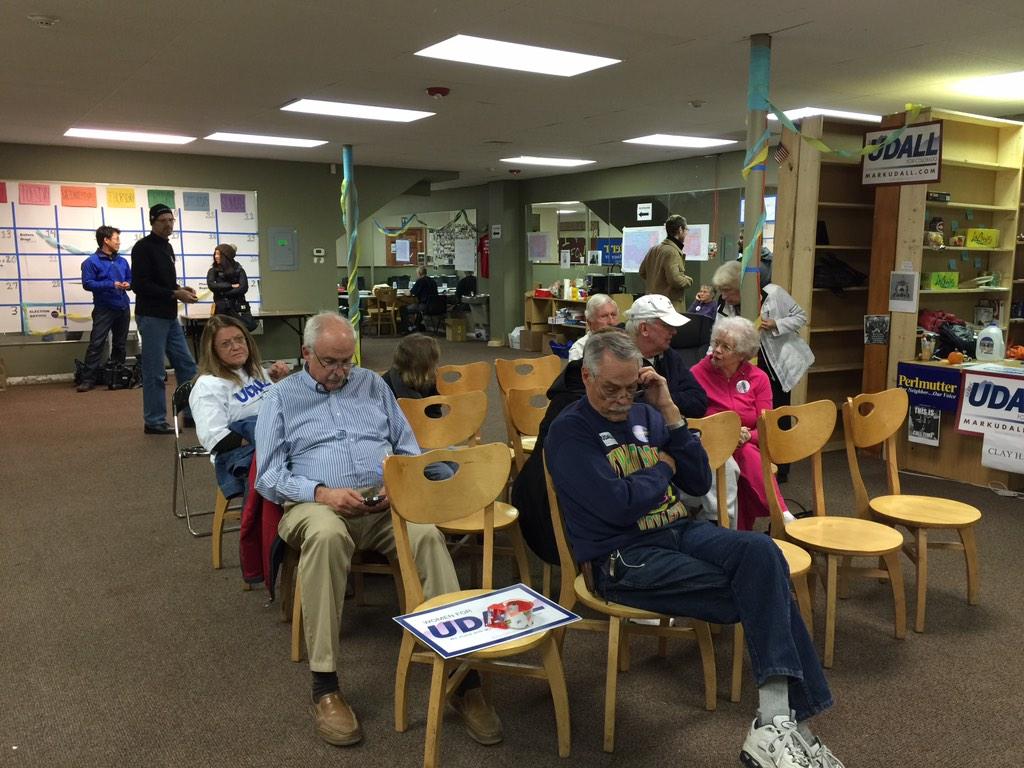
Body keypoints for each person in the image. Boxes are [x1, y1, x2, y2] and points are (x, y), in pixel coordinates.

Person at [546, 329, 842, 768]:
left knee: (763, 554)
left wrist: (670, 411)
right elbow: (617, 505)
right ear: (586, 377)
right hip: (621, 558)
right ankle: (793, 726)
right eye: (611, 388)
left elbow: (698, 480)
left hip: (679, 531)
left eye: (631, 388)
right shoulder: (569, 432)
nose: (622, 399)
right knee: (763, 587)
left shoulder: (648, 414)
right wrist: (662, 468)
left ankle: (775, 718)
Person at [254, 312, 500, 748]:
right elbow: (268, 476)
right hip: (315, 505)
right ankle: (325, 685)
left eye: (347, 361)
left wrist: (396, 482)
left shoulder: (372, 384)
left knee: (425, 534)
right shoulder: (281, 398)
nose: (340, 372)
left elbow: (406, 448)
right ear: (306, 354)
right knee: (328, 536)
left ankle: (463, 677)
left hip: (380, 501)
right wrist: (322, 492)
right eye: (330, 362)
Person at [711, 260, 814, 482]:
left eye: (728, 291)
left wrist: (777, 324)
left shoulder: (773, 294)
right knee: (752, 416)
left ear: (741, 287)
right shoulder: (724, 306)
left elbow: (801, 316)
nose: (725, 296)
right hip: (745, 366)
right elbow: (716, 337)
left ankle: (781, 468)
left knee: (777, 415)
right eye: (722, 292)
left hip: (775, 365)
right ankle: (755, 463)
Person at [690, 317, 791, 532]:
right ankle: (780, 511)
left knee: (744, 454)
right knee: (740, 460)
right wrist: (726, 436)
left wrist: (745, 436)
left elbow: (767, 426)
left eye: (725, 347)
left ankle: (735, 535)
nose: (716, 350)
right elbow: (691, 420)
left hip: (750, 444)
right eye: (715, 343)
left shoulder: (759, 378)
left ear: (743, 353)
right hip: (713, 446)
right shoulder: (697, 374)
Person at [189, 315, 290, 499]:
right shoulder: (208, 386)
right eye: (226, 344)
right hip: (240, 454)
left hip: (276, 441)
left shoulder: (255, 370)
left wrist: (281, 382)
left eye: (239, 339)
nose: (235, 347)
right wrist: (265, 437)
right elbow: (216, 440)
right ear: (213, 351)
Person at [131, 203, 198, 434]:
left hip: (169, 316)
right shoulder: (143, 248)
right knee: (155, 371)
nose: (169, 225)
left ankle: (190, 413)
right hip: (151, 317)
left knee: (187, 365)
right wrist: (173, 293)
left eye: (171, 220)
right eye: (163, 221)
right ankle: (154, 421)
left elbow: (164, 282)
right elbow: (139, 285)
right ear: (153, 222)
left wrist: (181, 289)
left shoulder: (167, 247)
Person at [623, 294, 707, 418]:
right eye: (667, 325)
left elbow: (699, 402)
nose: (674, 331)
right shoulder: (616, 359)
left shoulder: (670, 356)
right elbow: (619, 405)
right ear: (644, 328)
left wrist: (663, 397)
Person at [77, 226, 132, 392]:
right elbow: (88, 284)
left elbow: (130, 278)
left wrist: (128, 284)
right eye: (116, 239)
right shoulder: (90, 262)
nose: (119, 242)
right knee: (96, 343)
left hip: (123, 307)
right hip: (104, 309)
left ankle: (117, 376)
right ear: (106, 240)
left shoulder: (122, 261)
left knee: (120, 344)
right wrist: (111, 284)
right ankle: (88, 380)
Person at [638, 214, 693, 310]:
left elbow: (642, 272)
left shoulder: (654, 249)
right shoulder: (672, 251)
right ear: (680, 230)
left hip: (652, 304)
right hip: (669, 306)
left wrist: (656, 282)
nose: (686, 233)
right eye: (686, 230)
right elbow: (675, 280)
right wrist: (689, 280)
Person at [381, 332, 440, 401]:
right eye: (433, 364)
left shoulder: (430, 380)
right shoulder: (384, 386)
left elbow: (434, 408)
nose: (436, 367)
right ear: (420, 366)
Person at [567, 293, 619, 362]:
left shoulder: (624, 344)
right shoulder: (579, 350)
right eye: (604, 316)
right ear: (590, 323)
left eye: (613, 315)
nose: (611, 322)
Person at [206, 243, 249, 318]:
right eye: (215, 254)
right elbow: (212, 285)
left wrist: (223, 293)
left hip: (237, 308)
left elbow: (243, 288)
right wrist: (231, 286)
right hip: (221, 309)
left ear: (226, 256)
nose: (216, 257)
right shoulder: (213, 270)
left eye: (218, 254)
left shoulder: (239, 270)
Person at [401, 266, 441, 332]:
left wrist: (405, 291)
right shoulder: (432, 281)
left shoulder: (420, 281)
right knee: (419, 309)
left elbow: (410, 294)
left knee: (403, 309)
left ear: (419, 273)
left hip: (425, 306)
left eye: (417, 273)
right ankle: (416, 326)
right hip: (435, 306)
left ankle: (407, 328)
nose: (416, 274)